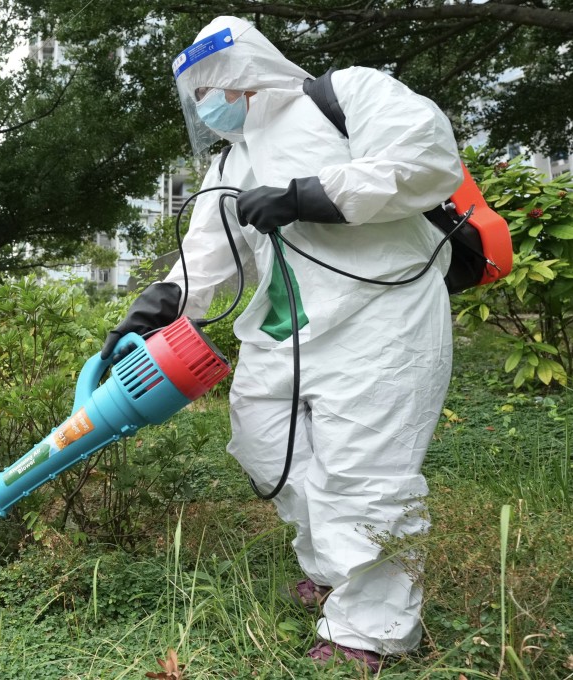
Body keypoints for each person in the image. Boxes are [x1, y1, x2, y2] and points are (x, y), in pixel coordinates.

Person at [101, 16, 464, 672]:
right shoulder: (230, 161)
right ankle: (332, 569)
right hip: (286, 333)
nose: (206, 108)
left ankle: (370, 632)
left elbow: (427, 159)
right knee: (265, 446)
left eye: (212, 89)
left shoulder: (345, 95)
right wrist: (146, 315)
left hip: (383, 317)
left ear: (242, 75)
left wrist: (307, 196)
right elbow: (206, 257)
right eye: (196, 99)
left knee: (366, 475)